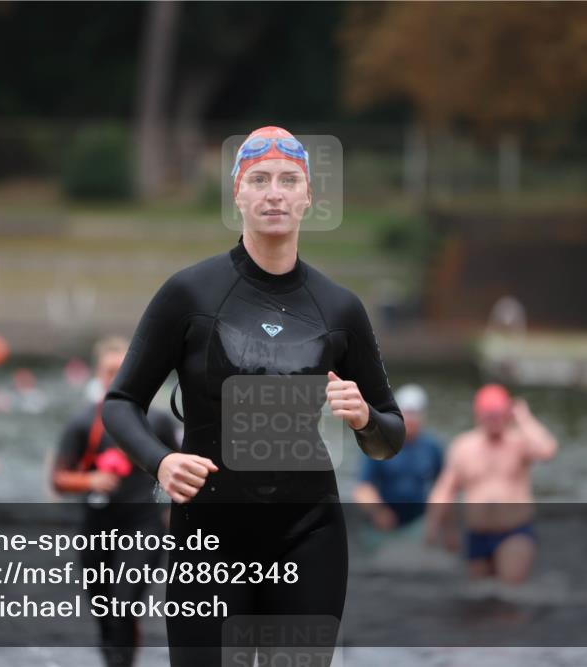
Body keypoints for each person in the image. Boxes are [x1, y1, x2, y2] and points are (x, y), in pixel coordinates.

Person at [102, 126, 404, 666]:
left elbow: (390, 437)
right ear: (237, 194)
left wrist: (363, 419)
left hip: (309, 533)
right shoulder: (189, 294)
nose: (274, 193)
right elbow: (120, 402)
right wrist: (161, 461)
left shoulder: (340, 309)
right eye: (259, 180)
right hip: (211, 537)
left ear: (308, 196)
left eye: (289, 180)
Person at [52, 336, 180, 667]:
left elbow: (185, 470)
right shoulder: (84, 423)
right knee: (105, 615)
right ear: (98, 374)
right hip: (95, 529)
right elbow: (57, 479)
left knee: (124, 605)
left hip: (144, 527)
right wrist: (89, 480)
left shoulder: (159, 421)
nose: (117, 377)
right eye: (110, 371)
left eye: (124, 370)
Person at [425, 384, 558, 584]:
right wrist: (433, 526)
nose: (494, 421)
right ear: (478, 415)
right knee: (481, 601)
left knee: (508, 592)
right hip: (477, 534)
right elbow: (445, 489)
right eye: (489, 415)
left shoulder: (519, 443)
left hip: (514, 532)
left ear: (507, 414)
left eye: (499, 415)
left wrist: (523, 417)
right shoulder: (464, 446)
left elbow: (547, 450)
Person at [353, 384, 444, 531]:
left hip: (418, 521)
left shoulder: (432, 447)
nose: (410, 419)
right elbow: (363, 488)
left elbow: (444, 485)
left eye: (415, 414)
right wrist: (378, 512)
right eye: (406, 413)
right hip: (384, 521)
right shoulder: (379, 445)